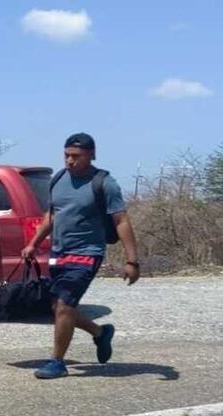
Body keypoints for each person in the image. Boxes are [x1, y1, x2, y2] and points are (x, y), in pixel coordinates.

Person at [21, 133, 140, 379]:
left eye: (76, 156)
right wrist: (33, 243)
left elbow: (121, 220)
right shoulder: (59, 179)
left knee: (64, 304)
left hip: (87, 252)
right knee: (58, 306)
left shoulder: (104, 183)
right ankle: (100, 333)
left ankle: (56, 362)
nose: (69, 161)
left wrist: (132, 260)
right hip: (59, 251)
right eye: (66, 155)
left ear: (91, 155)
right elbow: (52, 216)